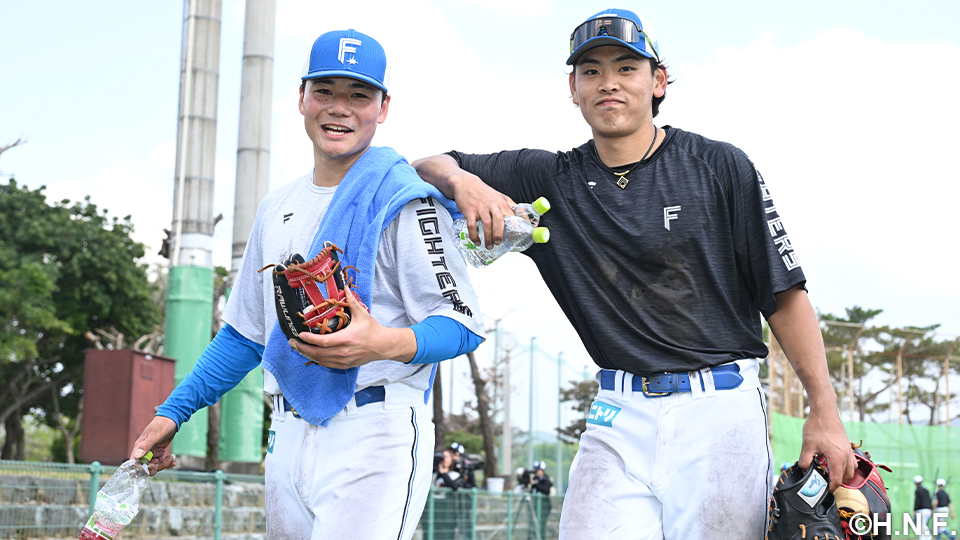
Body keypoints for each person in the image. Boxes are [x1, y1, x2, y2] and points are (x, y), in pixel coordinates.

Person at [413, 8, 855, 539]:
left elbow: (784, 294)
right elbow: (428, 164)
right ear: (572, 88)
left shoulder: (719, 166)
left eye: (626, 67)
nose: (609, 83)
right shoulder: (549, 176)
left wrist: (824, 411)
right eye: (592, 71)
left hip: (718, 407)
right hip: (616, 410)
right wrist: (465, 182)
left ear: (658, 81)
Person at [130, 29, 484, 539]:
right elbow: (245, 336)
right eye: (325, 91)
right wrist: (174, 412)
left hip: (374, 427)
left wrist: (383, 343)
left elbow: (462, 325)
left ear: (382, 108)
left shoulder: (407, 200)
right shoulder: (276, 206)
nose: (339, 108)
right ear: (301, 97)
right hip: (288, 431)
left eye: (358, 95)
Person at [529, 461, 553, 540]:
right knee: (532, 525)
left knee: (542, 525)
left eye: (537, 470)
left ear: (542, 470)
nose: (535, 472)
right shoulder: (535, 479)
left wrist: (535, 484)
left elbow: (546, 490)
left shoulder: (546, 479)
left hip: (544, 507)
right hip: (535, 505)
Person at [917, 476, 934, 540]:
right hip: (928, 510)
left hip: (922, 510)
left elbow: (917, 501)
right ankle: (924, 538)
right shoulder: (926, 490)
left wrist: (915, 510)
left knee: (922, 525)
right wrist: (931, 509)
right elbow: (929, 500)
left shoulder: (918, 491)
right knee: (923, 524)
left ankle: (928, 537)